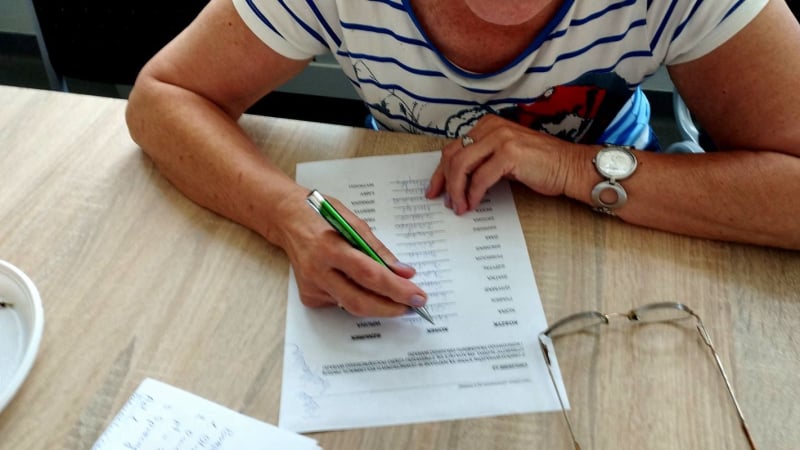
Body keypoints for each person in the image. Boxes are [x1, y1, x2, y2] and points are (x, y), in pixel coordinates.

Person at [126, 0, 800, 319]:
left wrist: (573, 168)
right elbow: (163, 97)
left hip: (629, 225)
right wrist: (288, 216)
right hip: (416, 212)